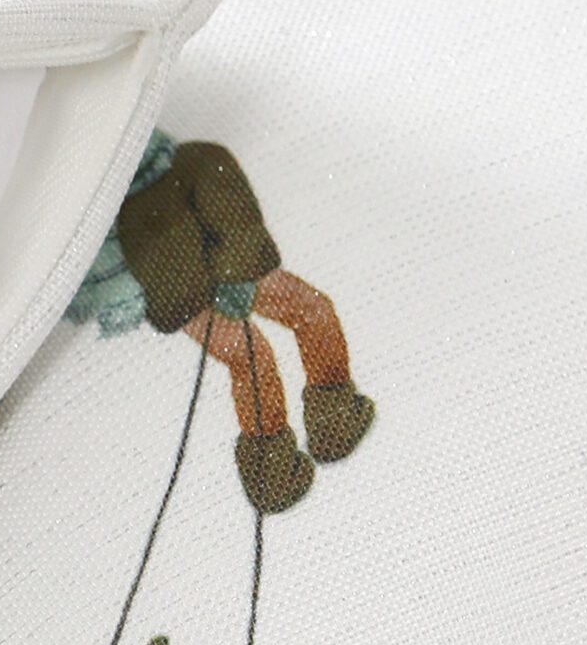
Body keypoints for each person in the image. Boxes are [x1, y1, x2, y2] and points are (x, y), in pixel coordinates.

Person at [68, 133, 375, 515]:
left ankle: (317, 436)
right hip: (181, 280)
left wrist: (237, 273)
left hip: (208, 267)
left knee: (296, 322)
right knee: (259, 349)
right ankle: (283, 465)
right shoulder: (139, 197)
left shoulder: (192, 162)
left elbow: (234, 216)